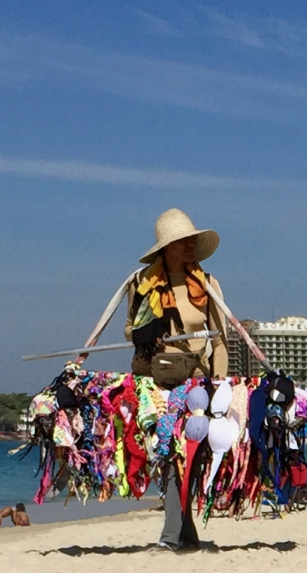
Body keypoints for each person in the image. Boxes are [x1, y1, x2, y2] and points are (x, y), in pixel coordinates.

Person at [125, 208, 228, 551]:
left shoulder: (207, 285)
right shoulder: (142, 285)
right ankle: (183, 535)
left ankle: (176, 536)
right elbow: (129, 329)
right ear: (165, 248)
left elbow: (219, 340)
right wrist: (144, 333)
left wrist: (221, 383)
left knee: (187, 457)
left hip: (196, 381)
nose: (188, 248)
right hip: (155, 379)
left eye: (190, 242)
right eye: (181, 242)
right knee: (168, 456)